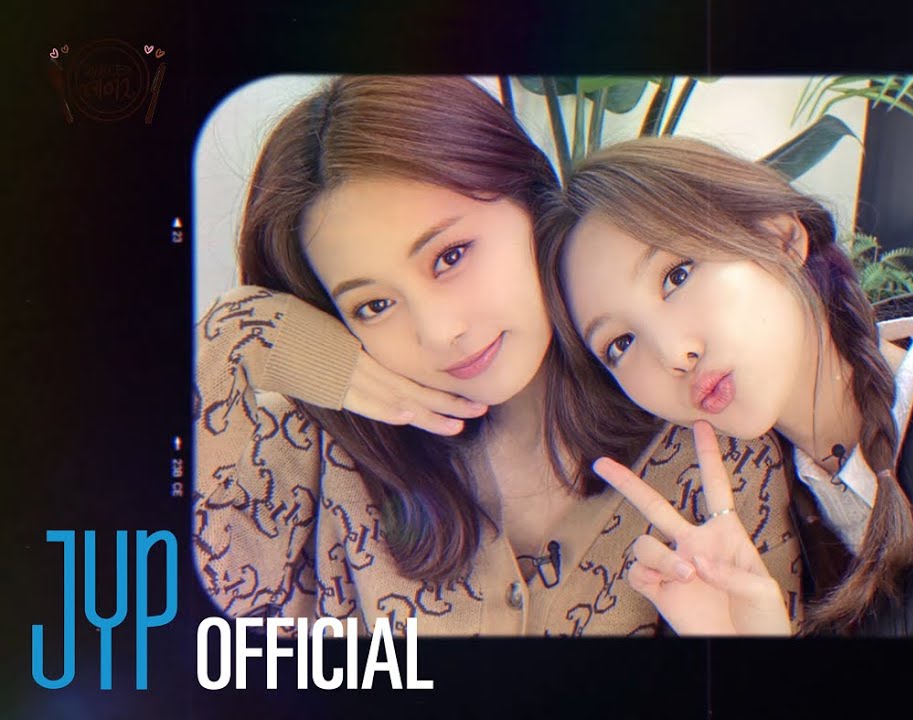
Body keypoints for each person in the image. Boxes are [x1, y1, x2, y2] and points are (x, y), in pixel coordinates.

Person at [193, 77, 802, 637]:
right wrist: (239, 330)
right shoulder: (312, 450)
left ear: (532, 203)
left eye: (451, 256)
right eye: (374, 305)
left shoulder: (706, 446)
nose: (440, 333)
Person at [538, 136, 913, 637]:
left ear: (779, 235)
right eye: (620, 344)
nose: (673, 356)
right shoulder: (766, 528)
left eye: (677, 275)